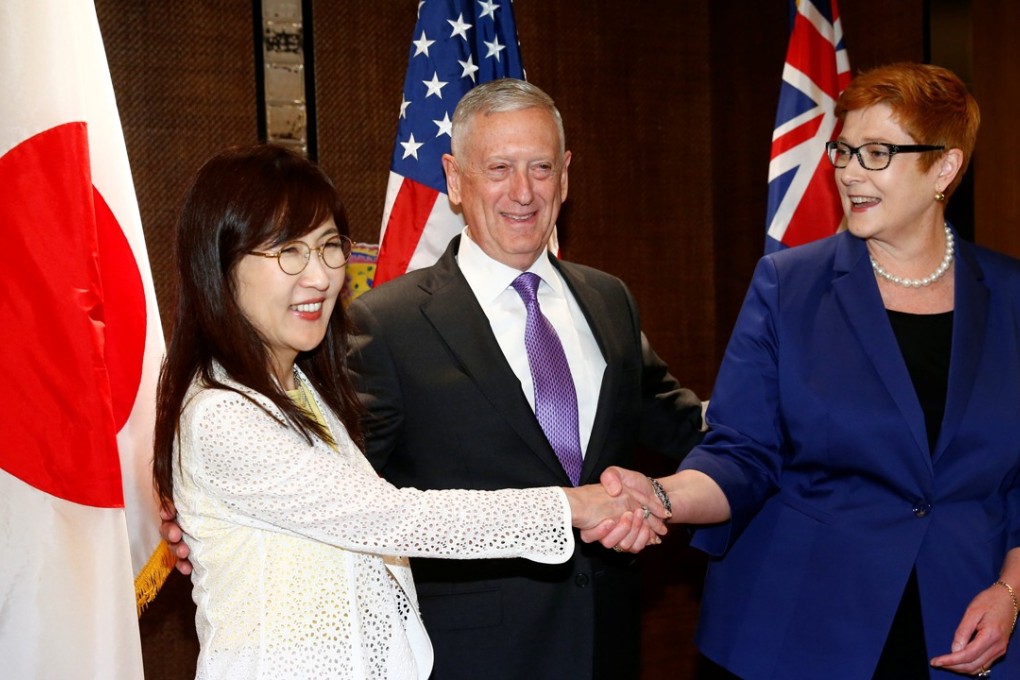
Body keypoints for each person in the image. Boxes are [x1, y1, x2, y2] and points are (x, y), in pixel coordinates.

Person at [151, 143, 668, 679]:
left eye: (328, 246)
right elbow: (393, 518)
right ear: (219, 265)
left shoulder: (305, 388)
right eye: (288, 251)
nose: (321, 277)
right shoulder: (220, 414)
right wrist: (574, 506)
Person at [606, 62, 1020, 679]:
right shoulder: (788, 286)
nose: (849, 172)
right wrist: (662, 498)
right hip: (803, 626)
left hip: (963, 626)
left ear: (945, 167)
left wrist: (1011, 591)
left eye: (877, 153)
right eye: (844, 150)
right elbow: (742, 452)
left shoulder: (1012, 298)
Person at [344, 78, 704, 680]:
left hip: (608, 645)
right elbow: (350, 495)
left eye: (541, 168)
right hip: (472, 659)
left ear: (565, 176)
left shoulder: (609, 299)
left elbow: (679, 421)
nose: (523, 192)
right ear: (455, 179)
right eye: (499, 168)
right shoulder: (387, 323)